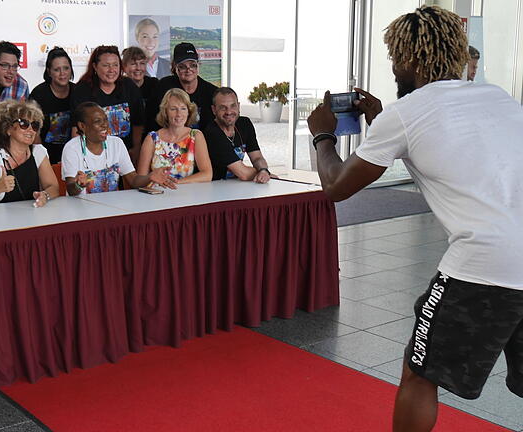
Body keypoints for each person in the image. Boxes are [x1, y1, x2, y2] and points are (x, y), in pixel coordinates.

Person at [306, 6, 523, 431]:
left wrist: (321, 134)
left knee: (419, 375)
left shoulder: (405, 114)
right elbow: (451, 148)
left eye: (393, 57)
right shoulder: (499, 97)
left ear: (408, 59)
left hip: (484, 264)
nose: (391, 66)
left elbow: (336, 186)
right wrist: (382, 120)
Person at [62, 102, 175, 195]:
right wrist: (79, 185)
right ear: (82, 126)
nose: (105, 125)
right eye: (97, 121)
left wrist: (150, 177)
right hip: (82, 210)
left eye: (105, 119)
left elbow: (133, 180)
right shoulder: (72, 149)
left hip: (112, 208)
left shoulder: (116, 143)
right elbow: (71, 190)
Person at [0, 100, 58, 207]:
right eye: (24, 124)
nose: (31, 130)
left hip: (27, 216)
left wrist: (45, 195)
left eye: (35, 125)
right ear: (8, 129)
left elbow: (53, 187)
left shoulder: (38, 152)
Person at [70, 45, 145, 162]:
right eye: (106, 65)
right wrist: (82, 158)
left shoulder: (129, 86)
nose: (112, 70)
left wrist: (136, 148)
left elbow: (138, 123)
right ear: (95, 66)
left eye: (115, 65)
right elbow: (77, 129)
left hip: (125, 154)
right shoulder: (82, 90)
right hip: (94, 157)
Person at [137, 88, 212, 183]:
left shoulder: (196, 136)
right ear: (165, 112)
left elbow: (207, 174)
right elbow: (140, 180)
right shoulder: (152, 138)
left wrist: (177, 183)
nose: (179, 114)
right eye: (173, 109)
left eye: (183, 108)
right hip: (157, 194)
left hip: (186, 194)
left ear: (189, 112)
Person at [145, 42, 218, 135]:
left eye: (192, 65)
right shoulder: (163, 87)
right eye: (182, 66)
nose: (188, 70)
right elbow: (151, 121)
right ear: (174, 66)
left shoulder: (211, 92)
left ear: (199, 64)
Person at [204, 87, 274, 182]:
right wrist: (266, 174)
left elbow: (257, 157)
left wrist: (263, 170)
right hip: (214, 187)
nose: (229, 112)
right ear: (214, 110)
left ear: (239, 106)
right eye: (223, 108)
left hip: (237, 184)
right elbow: (243, 174)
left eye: (233, 106)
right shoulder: (212, 132)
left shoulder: (245, 123)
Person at [29, 47, 75, 164]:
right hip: (45, 158)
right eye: (56, 69)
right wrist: (43, 161)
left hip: (72, 157)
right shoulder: (38, 94)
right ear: (49, 72)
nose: (62, 73)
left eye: (66, 68)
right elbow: (33, 132)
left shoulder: (78, 92)